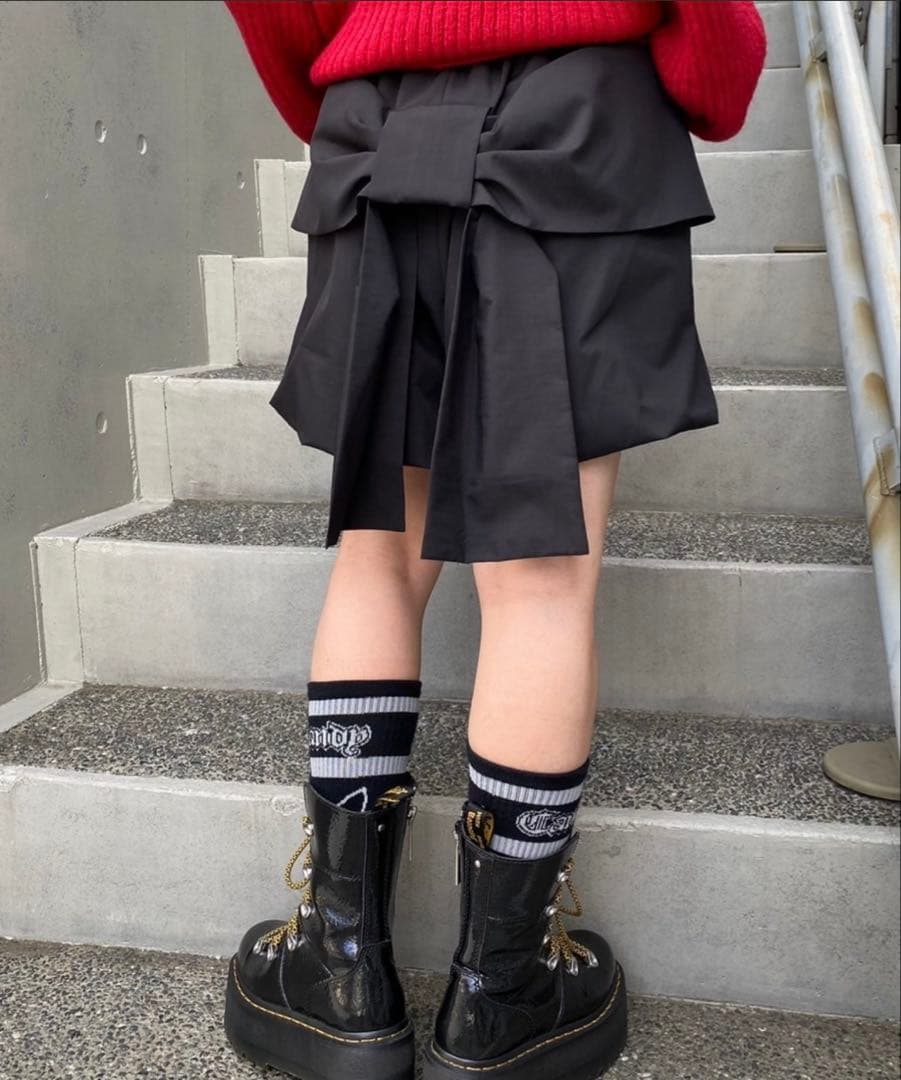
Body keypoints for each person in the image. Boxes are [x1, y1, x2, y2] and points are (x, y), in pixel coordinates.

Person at [221, 3, 766, 1078]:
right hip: (576, 132)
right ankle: (499, 998)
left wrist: (363, 66)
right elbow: (716, 64)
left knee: (380, 554)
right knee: (544, 585)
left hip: (378, 124)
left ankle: (341, 978)